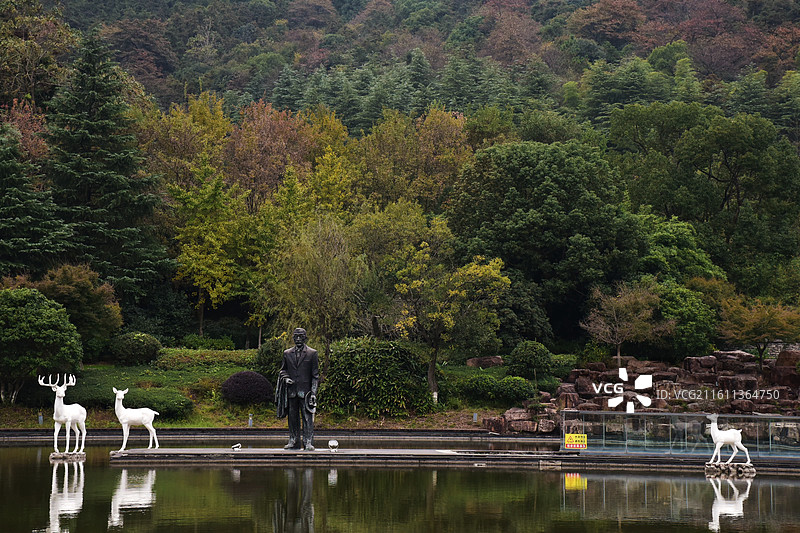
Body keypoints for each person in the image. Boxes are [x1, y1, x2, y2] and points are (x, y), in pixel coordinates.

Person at [277, 328, 319, 451]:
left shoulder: (312, 353)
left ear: (305, 338)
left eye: (301, 337)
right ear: (293, 338)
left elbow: (315, 376)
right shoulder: (287, 353)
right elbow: (283, 370)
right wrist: (286, 378)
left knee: (307, 418)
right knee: (292, 418)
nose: (298, 339)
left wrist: (313, 393)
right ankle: (293, 440)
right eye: (296, 337)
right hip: (292, 391)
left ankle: (308, 442)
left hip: (306, 392)